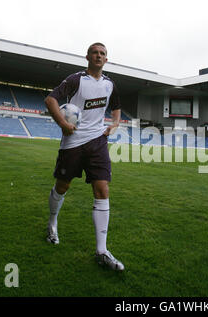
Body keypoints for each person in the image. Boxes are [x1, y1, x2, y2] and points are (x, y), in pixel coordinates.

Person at [44, 42, 124, 271]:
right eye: (95, 53)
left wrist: (114, 124)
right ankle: (52, 224)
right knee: (62, 186)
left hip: (98, 141)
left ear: (106, 59)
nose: (99, 56)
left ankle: (102, 251)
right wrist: (62, 123)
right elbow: (50, 100)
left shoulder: (110, 84)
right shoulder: (76, 79)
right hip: (73, 142)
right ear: (87, 57)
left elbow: (117, 107)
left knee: (102, 189)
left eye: (103, 54)